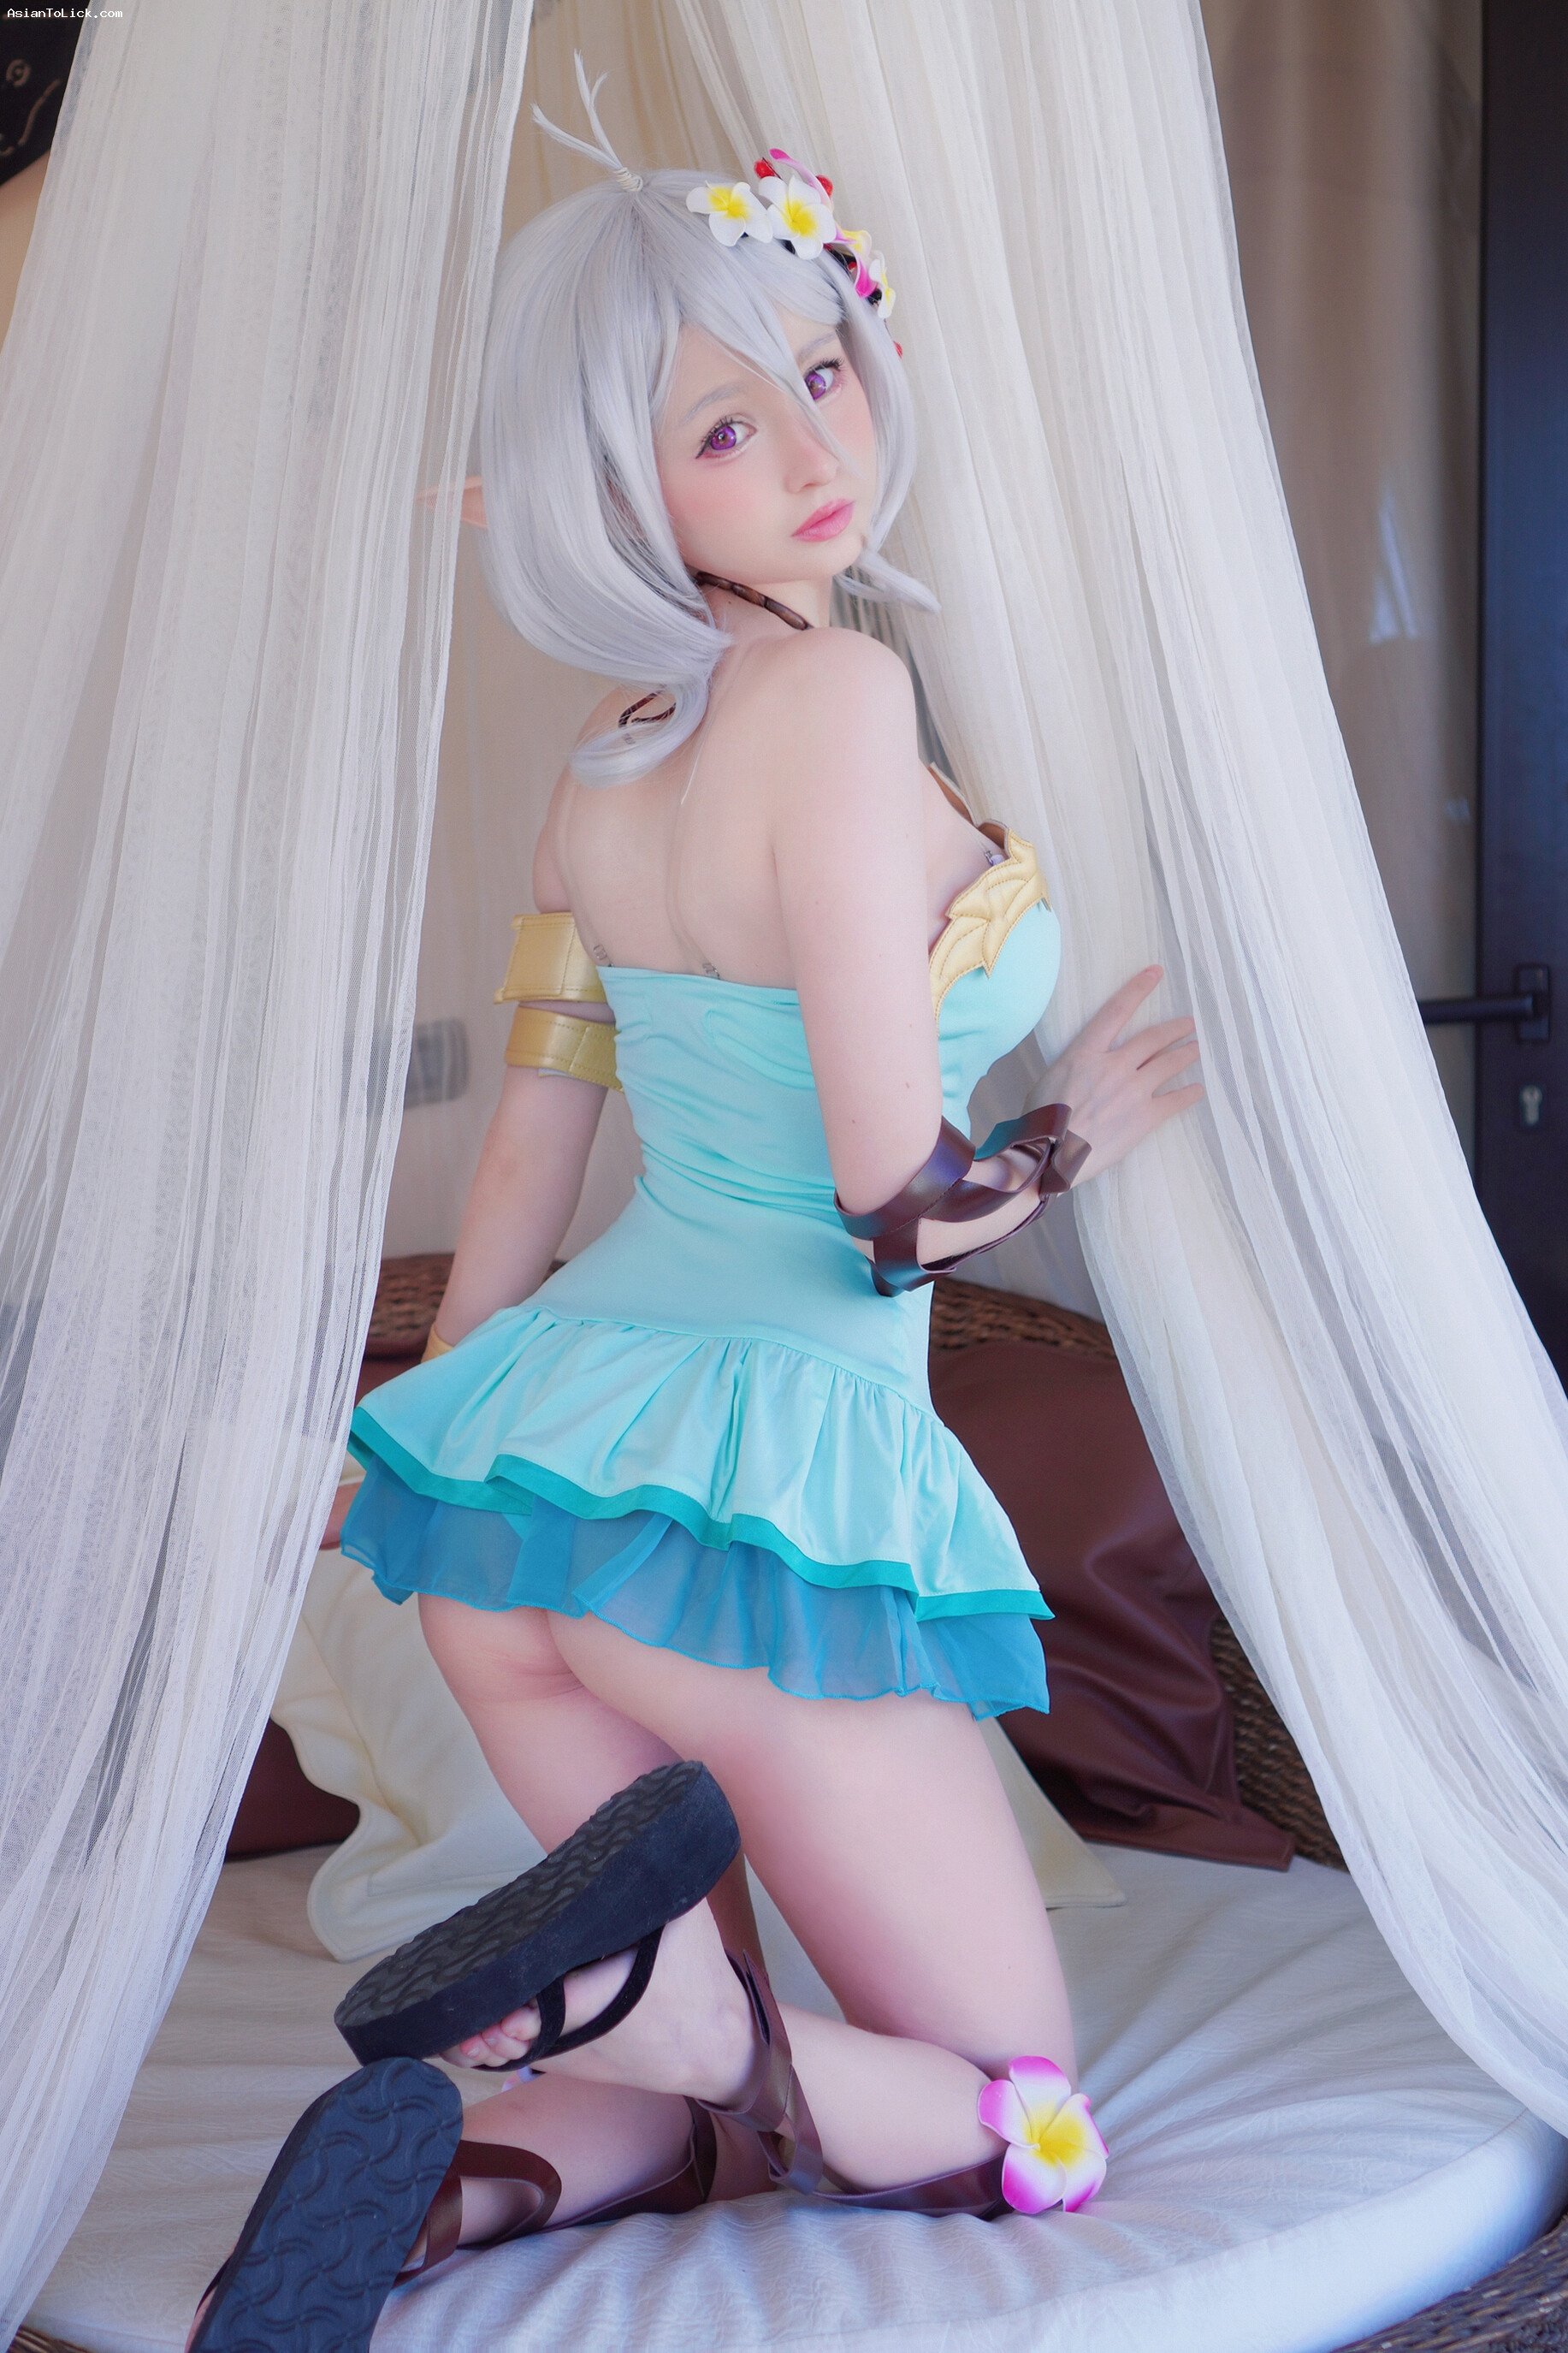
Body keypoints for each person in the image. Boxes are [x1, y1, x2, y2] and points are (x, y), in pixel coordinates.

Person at [189, 56, 1202, 2352]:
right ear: (611, 490)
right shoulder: (836, 699)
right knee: (1030, 2126)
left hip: (538, 1509)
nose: (818, 447)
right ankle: (688, 2019)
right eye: (727, 425)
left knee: (681, 2071)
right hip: (756, 1500)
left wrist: (429, 1443)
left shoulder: (601, 771)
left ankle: (463, 2182)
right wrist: (1072, 1135)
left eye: (822, 372)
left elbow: (531, 1156)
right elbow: (889, 1206)